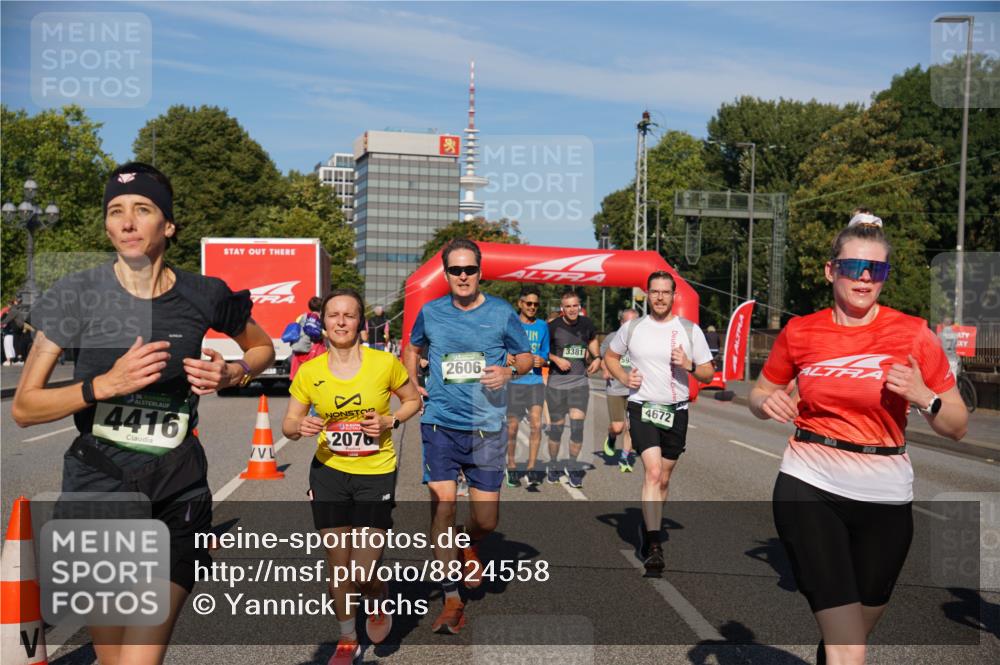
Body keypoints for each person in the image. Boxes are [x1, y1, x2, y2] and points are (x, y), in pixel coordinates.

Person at [11, 162, 275, 665]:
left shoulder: (206, 294)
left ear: (168, 225)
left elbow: (262, 348)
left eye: (143, 210)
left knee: (140, 659)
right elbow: (24, 406)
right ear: (107, 225)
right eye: (115, 211)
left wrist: (234, 371)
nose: (127, 222)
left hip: (178, 490)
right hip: (99, 489)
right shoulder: (76, 294)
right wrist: (102, 386)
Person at [748, 212, 968, 665]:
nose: (865, 277)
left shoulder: (912, 333)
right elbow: (761, 392)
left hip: (886, 493)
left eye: (877, 269)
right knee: (852, 648)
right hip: (809, 481)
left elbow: (958, 425)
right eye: (853, 267)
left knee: (849, 635)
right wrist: (764, 403)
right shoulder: (801, 331)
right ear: (832, 271)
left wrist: (924, 396)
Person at [281, 288, 421, 664]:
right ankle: (347, 638)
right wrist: (301, 426)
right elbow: (288, 425)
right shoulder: (310, 371)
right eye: (333, 315)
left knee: (362, 570)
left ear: (361, 323)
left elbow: (413, 401)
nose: (341, 321)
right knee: (338, 564)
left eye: (349, 315)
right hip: (329, 473)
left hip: (375, 473)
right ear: (323, 324)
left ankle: (377, 598)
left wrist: (390, 420)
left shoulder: (383, 364)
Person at [403, 238, 531, 634]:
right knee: (442, 506)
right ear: (445, 274)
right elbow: (412, 348)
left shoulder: (501, 312)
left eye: (469, 269)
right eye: (455, 270)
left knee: (487, 521)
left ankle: (465, 541)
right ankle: (452, 599)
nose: (462, 276)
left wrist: (509, 372)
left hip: (487, 428)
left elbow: (525, 357)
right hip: (440, 424)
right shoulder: (431, 311)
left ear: (480, 271)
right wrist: (412, 385)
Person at [604, 271, 714, 575]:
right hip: (642, 407)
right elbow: (610, 358)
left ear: (674, 295)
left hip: (676, 411)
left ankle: (647, 525)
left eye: (666, 292)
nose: (660, 297)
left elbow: (707, 373)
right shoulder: (633, 328)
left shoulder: (690, 330)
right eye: (655, 292)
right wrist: (625, 377)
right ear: (647, 295)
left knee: (664, 479)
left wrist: (689, 365)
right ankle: (654, 544)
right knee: (652, 473)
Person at [545, 289, 600, 488]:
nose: (571, 310)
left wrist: (598, 357)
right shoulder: (552, 327)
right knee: (557, 431)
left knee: (577, 428)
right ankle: (553, 464)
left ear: (579, 306)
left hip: (579, 383)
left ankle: (573, 466)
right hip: (557, 385)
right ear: (562, 309)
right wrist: (555, 358)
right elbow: (541, 352)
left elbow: (592, 339)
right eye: (567, 306)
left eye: (575, 306)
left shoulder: (587, 324)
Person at [504, 285, 550, 488]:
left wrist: (543, 359)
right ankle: (512, 466)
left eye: (536, 304)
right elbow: (499, 346)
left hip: (535, 383)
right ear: (520, 303)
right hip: (515, 382)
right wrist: (505, 356)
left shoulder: (542, 326)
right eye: (529, 303)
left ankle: (531, 468)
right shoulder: (510, 323)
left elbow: (546, 352)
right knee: (512, 428)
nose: (532, 307)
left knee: (536, 425)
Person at [600, 308, 639, 472]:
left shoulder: (643, 339)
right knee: (618, 427)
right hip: (615, 387)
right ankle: (611, 437)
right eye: (627, 322)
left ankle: (624, 458)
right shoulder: (611, 338)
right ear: (621, 323)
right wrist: (606, 368)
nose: (630, 326)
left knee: (631, 426)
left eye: (633, 322)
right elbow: (604, 358)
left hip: (635, 390)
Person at [289, 295, 326, 381]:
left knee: (299, 377)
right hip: (315, 349)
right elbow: (324, 333)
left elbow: (296, 330)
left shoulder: (301, 317)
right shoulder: (321, 318)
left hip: (300, 349)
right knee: (316, 376)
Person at [937, 316, 961, 380]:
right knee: (953, 380)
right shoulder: (955, 335)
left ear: (943, 324)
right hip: (953, 360)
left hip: (943, 361)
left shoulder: (940, 335)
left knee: (943, 381)